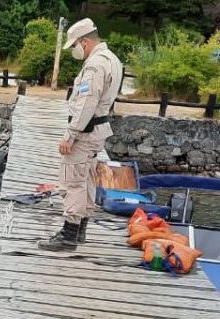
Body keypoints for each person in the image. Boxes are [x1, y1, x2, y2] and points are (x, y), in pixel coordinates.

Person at [38, 18, 123, 251]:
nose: (74, 50)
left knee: (73, 181)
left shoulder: (95, 65)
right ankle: (80, 231)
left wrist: (70, 135)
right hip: (98, 129)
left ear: (84, 41)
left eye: (74, 45)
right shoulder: (113, 60)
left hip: (85, 132)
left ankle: (68, 234)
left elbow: (86, 102)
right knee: (86, 179)